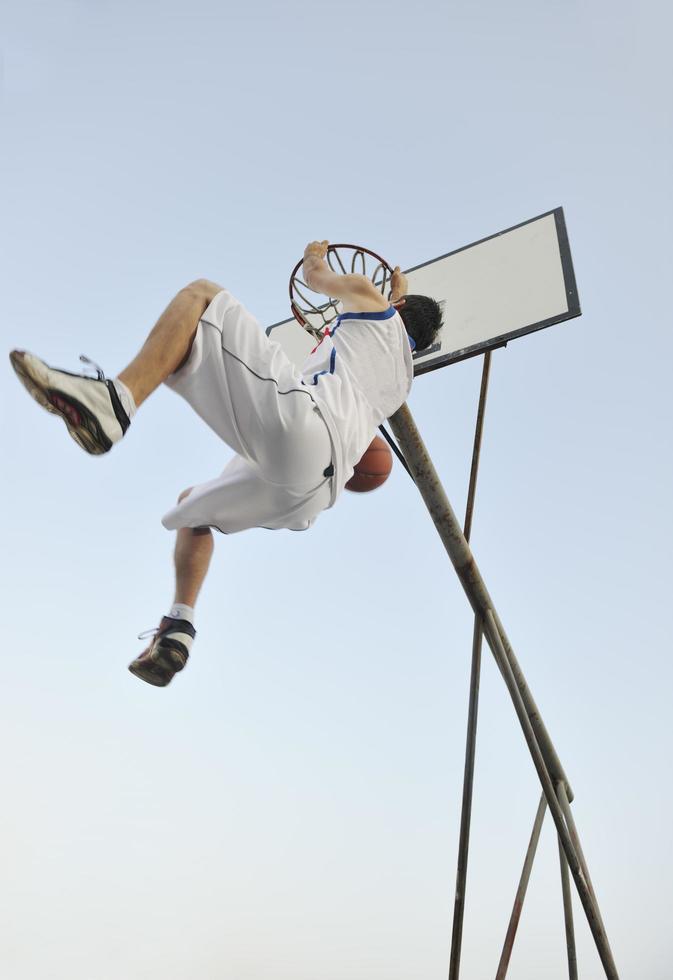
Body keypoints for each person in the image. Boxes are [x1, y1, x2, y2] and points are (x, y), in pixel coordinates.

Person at [9, 241, 443, 687]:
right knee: (192, 510)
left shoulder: (371, 302)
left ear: (398, 304)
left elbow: (316, 277)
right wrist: (397, 297)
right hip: (311, 497)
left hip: (307, 427)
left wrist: (316, 255)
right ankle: (180, 627)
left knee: (202, 296)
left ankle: (114, 403)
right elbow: (387, 340)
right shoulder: (401, 380)